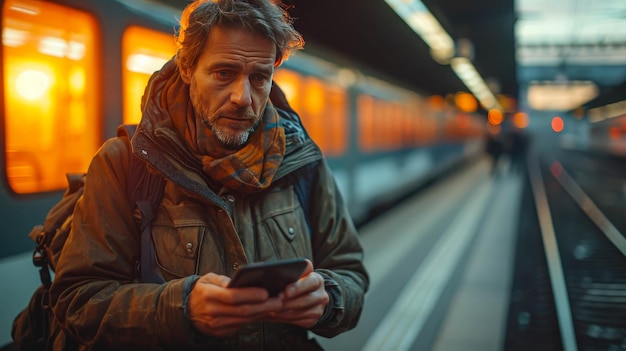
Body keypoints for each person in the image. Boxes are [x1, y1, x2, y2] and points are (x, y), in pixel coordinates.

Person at [48, 0, 369, 350]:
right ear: (187, 68)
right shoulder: (126, 164)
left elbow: (349, 272)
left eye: (259, 77)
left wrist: (328, 298)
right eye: (224, 73)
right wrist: (181, 309)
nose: (242, 98)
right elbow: (77, 300)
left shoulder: (300, 160)